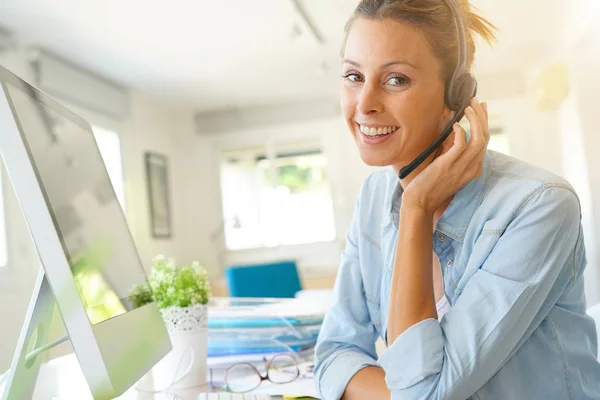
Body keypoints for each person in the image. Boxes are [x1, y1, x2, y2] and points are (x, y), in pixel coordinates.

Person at [313, 0, 600, 399]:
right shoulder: (373, 199)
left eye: (396, 79)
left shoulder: (540, 206)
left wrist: (416, 208)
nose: (364, 104)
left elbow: (424, 392)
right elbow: (332, 356)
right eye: (353, 75)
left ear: (456, 92)